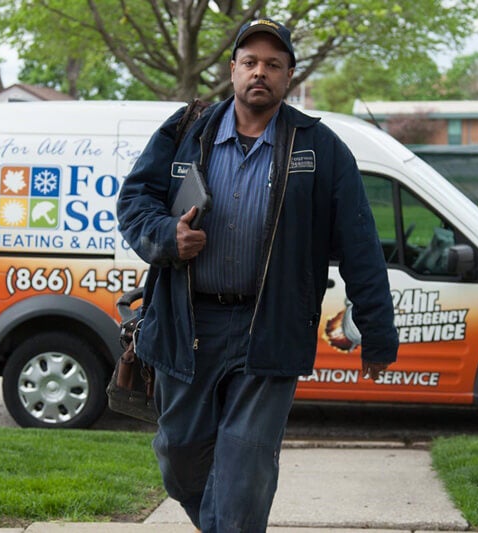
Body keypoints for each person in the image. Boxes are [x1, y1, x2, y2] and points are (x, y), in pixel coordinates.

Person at [116, 17, 398, 533]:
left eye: (273, 64)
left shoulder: (321, 148)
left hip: (267, 331)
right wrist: (166, 237)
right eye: (250, 62)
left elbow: (360, 245)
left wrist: (378, 335)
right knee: (179, 459)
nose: (260, 73)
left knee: (245, 473)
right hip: (187, 326)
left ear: (289, 75)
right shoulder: (186, 131)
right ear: (232, 70)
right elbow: (133, 203)